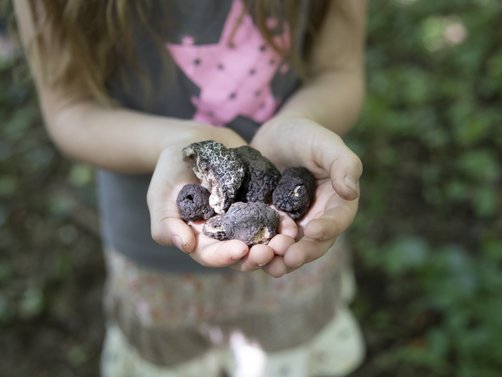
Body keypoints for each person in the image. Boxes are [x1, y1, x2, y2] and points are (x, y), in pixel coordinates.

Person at [15, 0, 366, 375]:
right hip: (153, 261)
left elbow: (338, 71)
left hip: (296, 261)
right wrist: (179, 140)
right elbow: (70, 109)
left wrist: (299, 120)